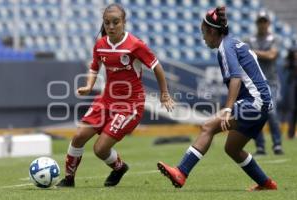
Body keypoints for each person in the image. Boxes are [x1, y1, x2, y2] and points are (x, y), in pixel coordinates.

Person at [157, 6, 277, 191]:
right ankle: (266, 184)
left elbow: (236, 78)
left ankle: (181, 171)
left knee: (208, 127)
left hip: (255, 102)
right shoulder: (233, 43)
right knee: (232, 149)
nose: (203, 38)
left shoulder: (225, 47)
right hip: (263, 103)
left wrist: (228, 109)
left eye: (204, 33)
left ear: (212, 31)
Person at [56, 3, 174, 187]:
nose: (111, 27)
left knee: (100, 149)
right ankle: (68, 179)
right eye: (107, 23)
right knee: (78, 136)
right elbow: (94, 67)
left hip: (130, 106)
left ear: (124, 22)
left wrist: (164, 94)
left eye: (115, 22)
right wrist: (88, 85)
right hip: (106, 100)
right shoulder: (100, 44)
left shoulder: (135, 45)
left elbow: (157, 67)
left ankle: (119, 168)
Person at [245, 11, 284, 155]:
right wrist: (261, 53)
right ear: (257, 23)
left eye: (264, 21)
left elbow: (272, 55)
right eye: (260, 21)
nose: (262, 24)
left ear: (268, 23)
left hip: (271, 82)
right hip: (254, 82)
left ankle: (277, 144)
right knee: (256, 113)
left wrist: (253, 52)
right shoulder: (249, 38)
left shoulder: (275, 38)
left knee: (271, 112)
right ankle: (260, 146)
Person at [285, 46, 297, 139]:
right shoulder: (291, 62)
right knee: (292, 109)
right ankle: (290, 134)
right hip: (293, 83)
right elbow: (286, 65)